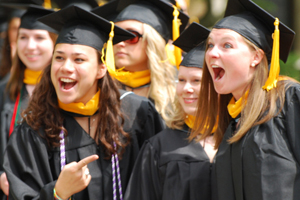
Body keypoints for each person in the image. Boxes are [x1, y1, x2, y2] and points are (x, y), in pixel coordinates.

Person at [3, 5, 161, 200]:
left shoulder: (137, 113)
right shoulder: (34, 129)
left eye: (79, 59)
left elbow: (160, 183)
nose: (66, 67)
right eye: (59, 57)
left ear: (101, 69)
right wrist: (57, 193)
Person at [189, 0, 298, 199]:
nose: (212, 53)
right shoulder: (231, 119)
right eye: (210, 45)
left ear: (256, 57)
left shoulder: (288, 100)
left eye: (227, 45)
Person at [124, 22, 216, 200]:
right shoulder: (158, 147)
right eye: (181, 80)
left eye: (196, 81)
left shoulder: (237, 139)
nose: (186, 88)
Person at [92, 0, 189, 123]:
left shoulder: (179, 87)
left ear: (153, 42)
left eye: (131, 36)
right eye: (116, 36)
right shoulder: (99, 87)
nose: (120, 43)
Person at [0, 4, 57, 199]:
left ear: (55, 42)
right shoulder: (4, 92)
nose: (30, 46)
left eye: (39, 37)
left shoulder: (67, 95)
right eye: (23, 37)